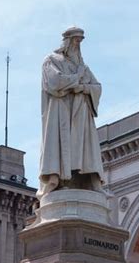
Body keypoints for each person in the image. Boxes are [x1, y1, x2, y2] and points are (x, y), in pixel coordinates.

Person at [39, 27, 105, 198]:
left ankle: (87, 179)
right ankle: (60, 180)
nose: (78, 44)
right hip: (61, 112)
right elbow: (55, 83)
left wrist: (82, 87)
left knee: (83, 149)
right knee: (62, 146)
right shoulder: (52, 60)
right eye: (75, 40)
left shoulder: (82, 66)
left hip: (81, 113)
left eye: (80, 41)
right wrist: (76, 79)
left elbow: (97, 87)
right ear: (67, 41)